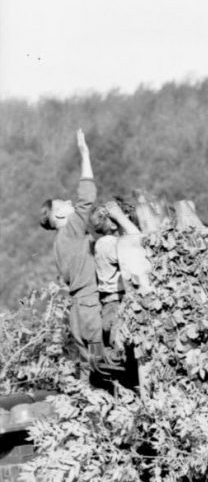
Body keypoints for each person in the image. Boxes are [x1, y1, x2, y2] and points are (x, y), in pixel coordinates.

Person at [39, 129, 106, 376]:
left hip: (79, 312)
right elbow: (87, 197)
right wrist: (85, 154)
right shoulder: (71, 230)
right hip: (90, 309)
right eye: (63, 204)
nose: (69, 202)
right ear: (59, 215)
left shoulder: (59, 244)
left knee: (91, 372)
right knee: (104, 368)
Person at [90, 200, 151, 346]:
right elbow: (140, 242)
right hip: (116, 307)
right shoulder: (108, 243)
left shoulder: (109, 242)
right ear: (113, 224)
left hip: (114, 305)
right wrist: (121, 217)